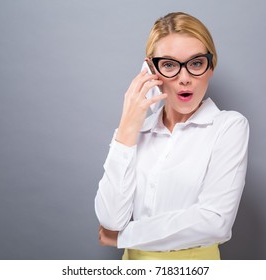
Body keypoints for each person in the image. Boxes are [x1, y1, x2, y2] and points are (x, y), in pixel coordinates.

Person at [94, 12, 249, 260]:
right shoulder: (135, 132)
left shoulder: (228, 127)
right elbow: (110, 220)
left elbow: (215, 221)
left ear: (211, 66)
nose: (184, 78)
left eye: (196, 63)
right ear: (151, 70)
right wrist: (126, 127)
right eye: (169, 65)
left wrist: (125, 236)